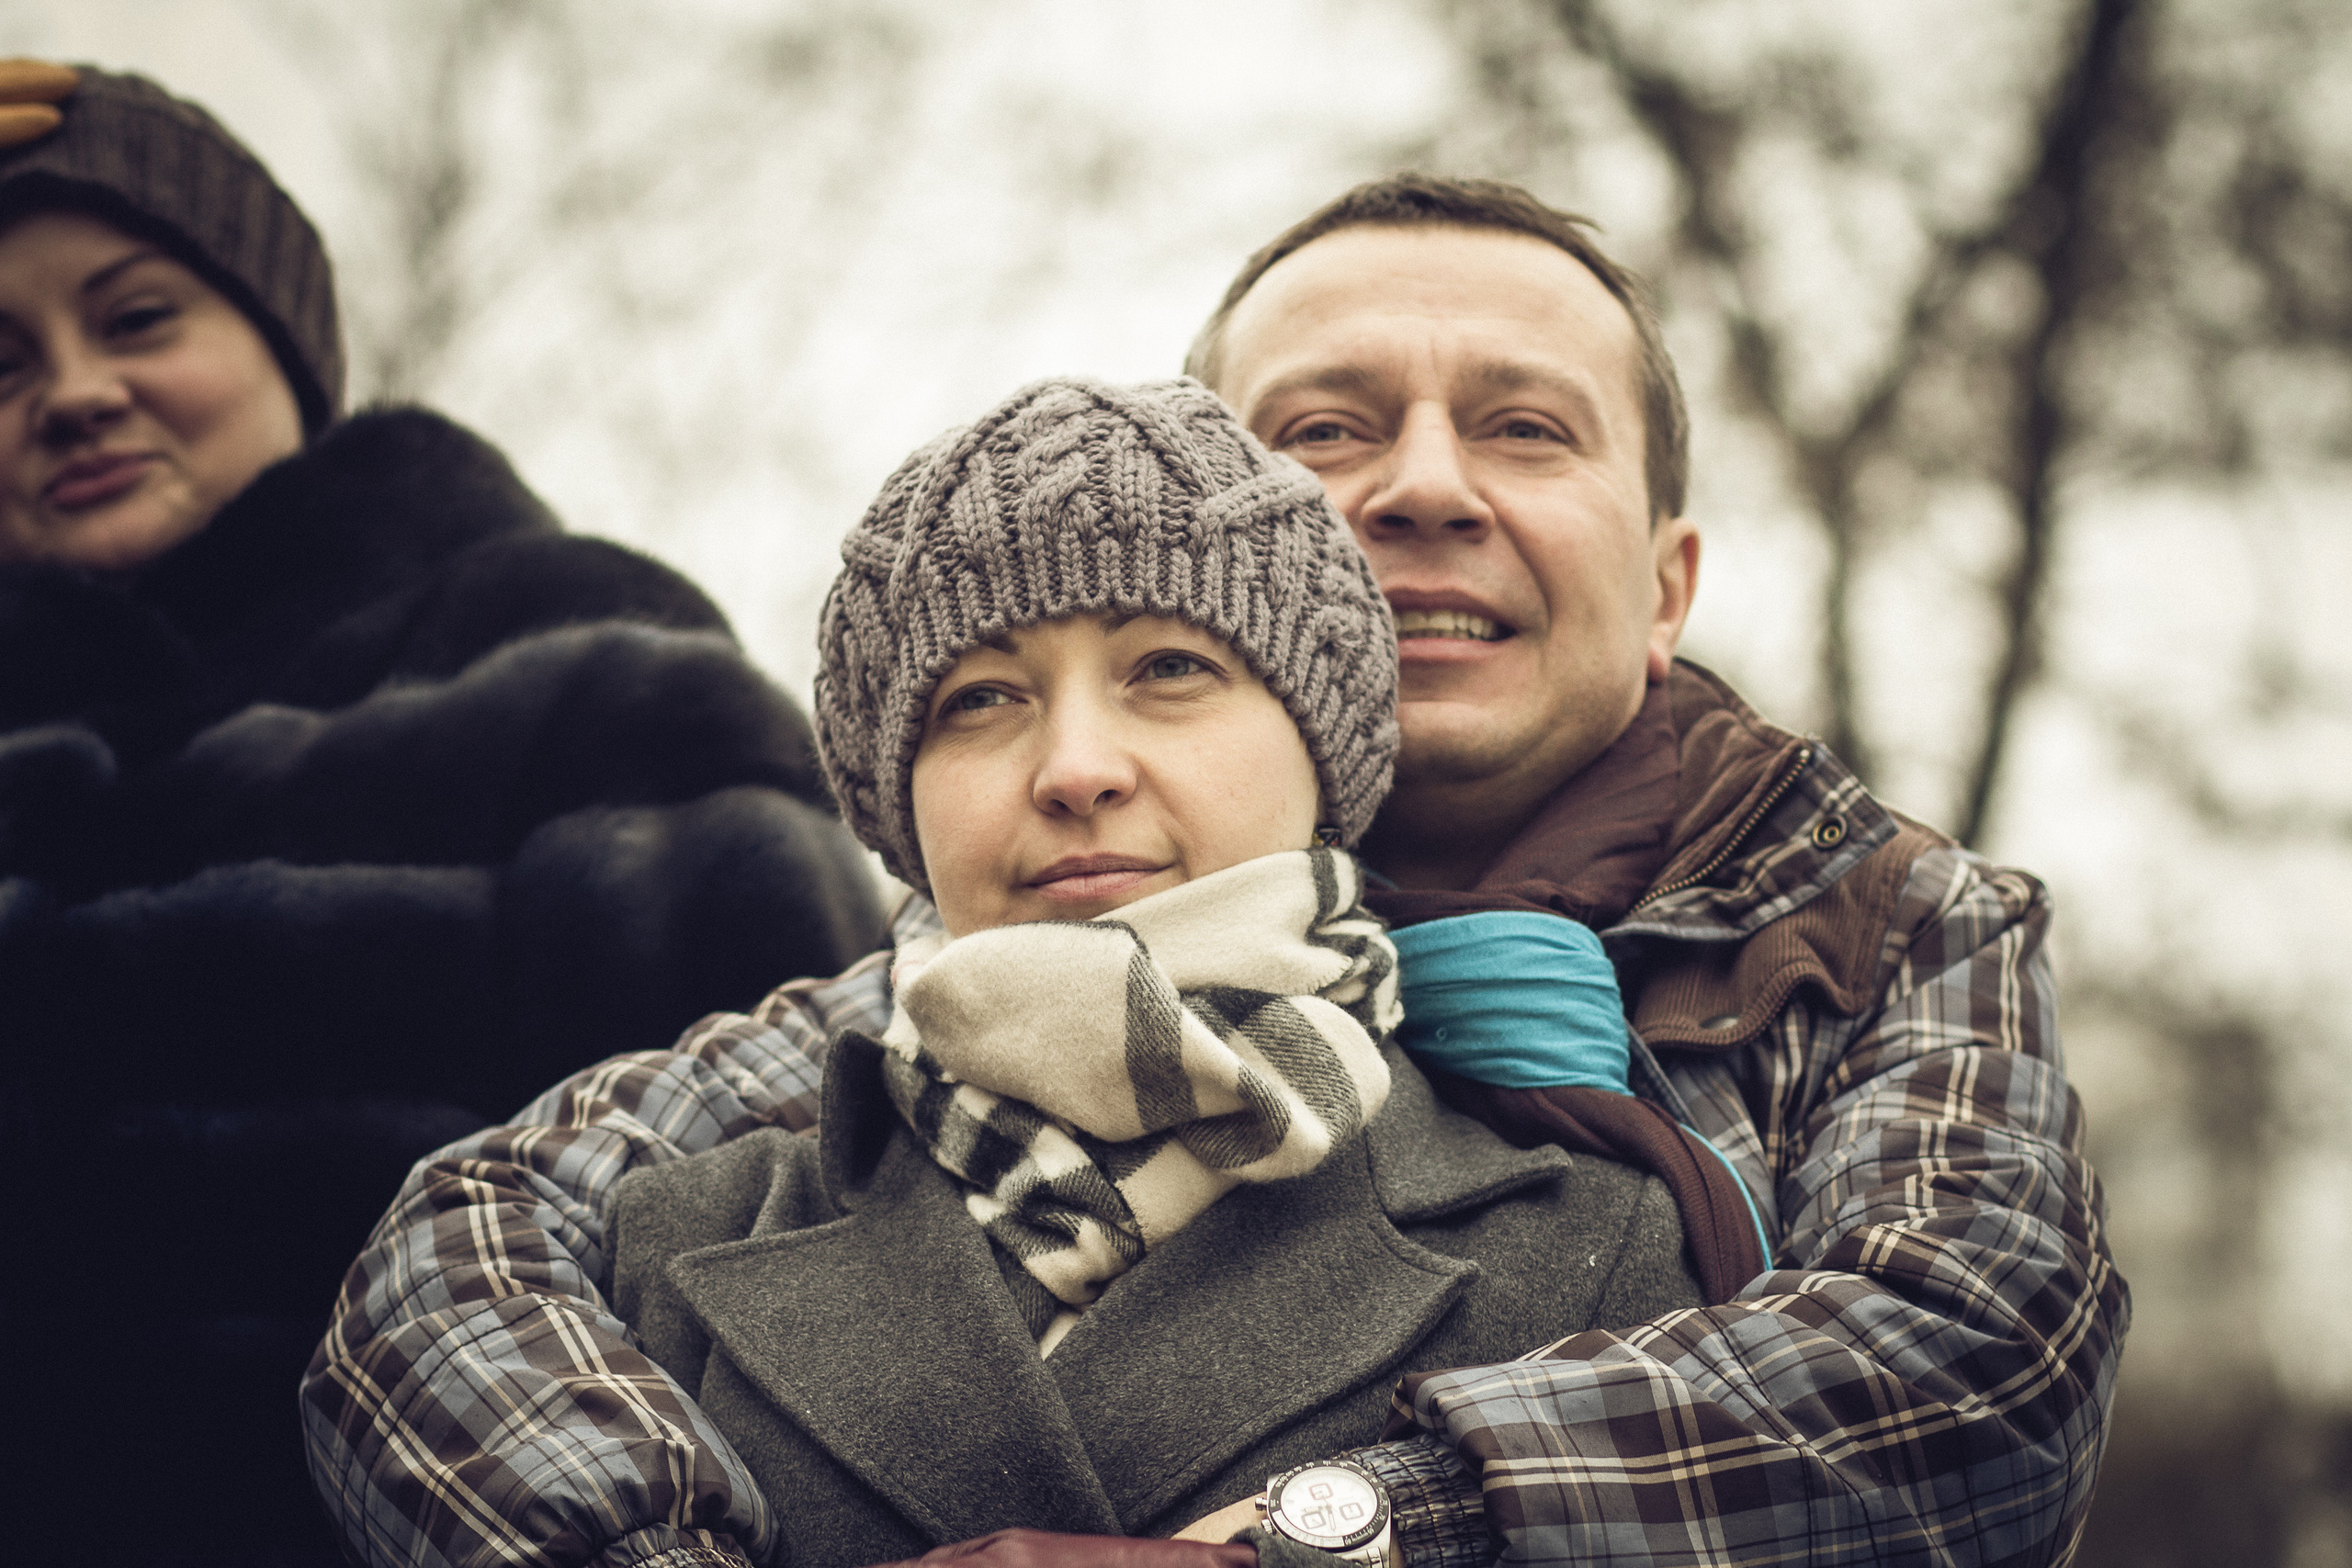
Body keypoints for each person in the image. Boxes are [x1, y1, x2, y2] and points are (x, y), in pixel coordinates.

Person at [302, 375, 1716, 1568]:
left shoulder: (1609, 1243)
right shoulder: (656, 1248)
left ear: (1323, 744)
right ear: (896, 800)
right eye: (981, 701)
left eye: (1171, 667)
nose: (1078, 768)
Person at [1177, 174, 2130, 1562]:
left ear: (1666, 591)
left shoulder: (1893, 930)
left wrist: (1366, 1530)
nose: (1428, 486)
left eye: (1525, 429)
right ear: (1179, 566)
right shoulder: (985, 940)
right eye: (1325, 430)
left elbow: (1981, 1367)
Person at [0, 65, 883, 1562]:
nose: (76, 388)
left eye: (141, 316)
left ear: (285, 342)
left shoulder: (583, 658)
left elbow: (803, 1220)